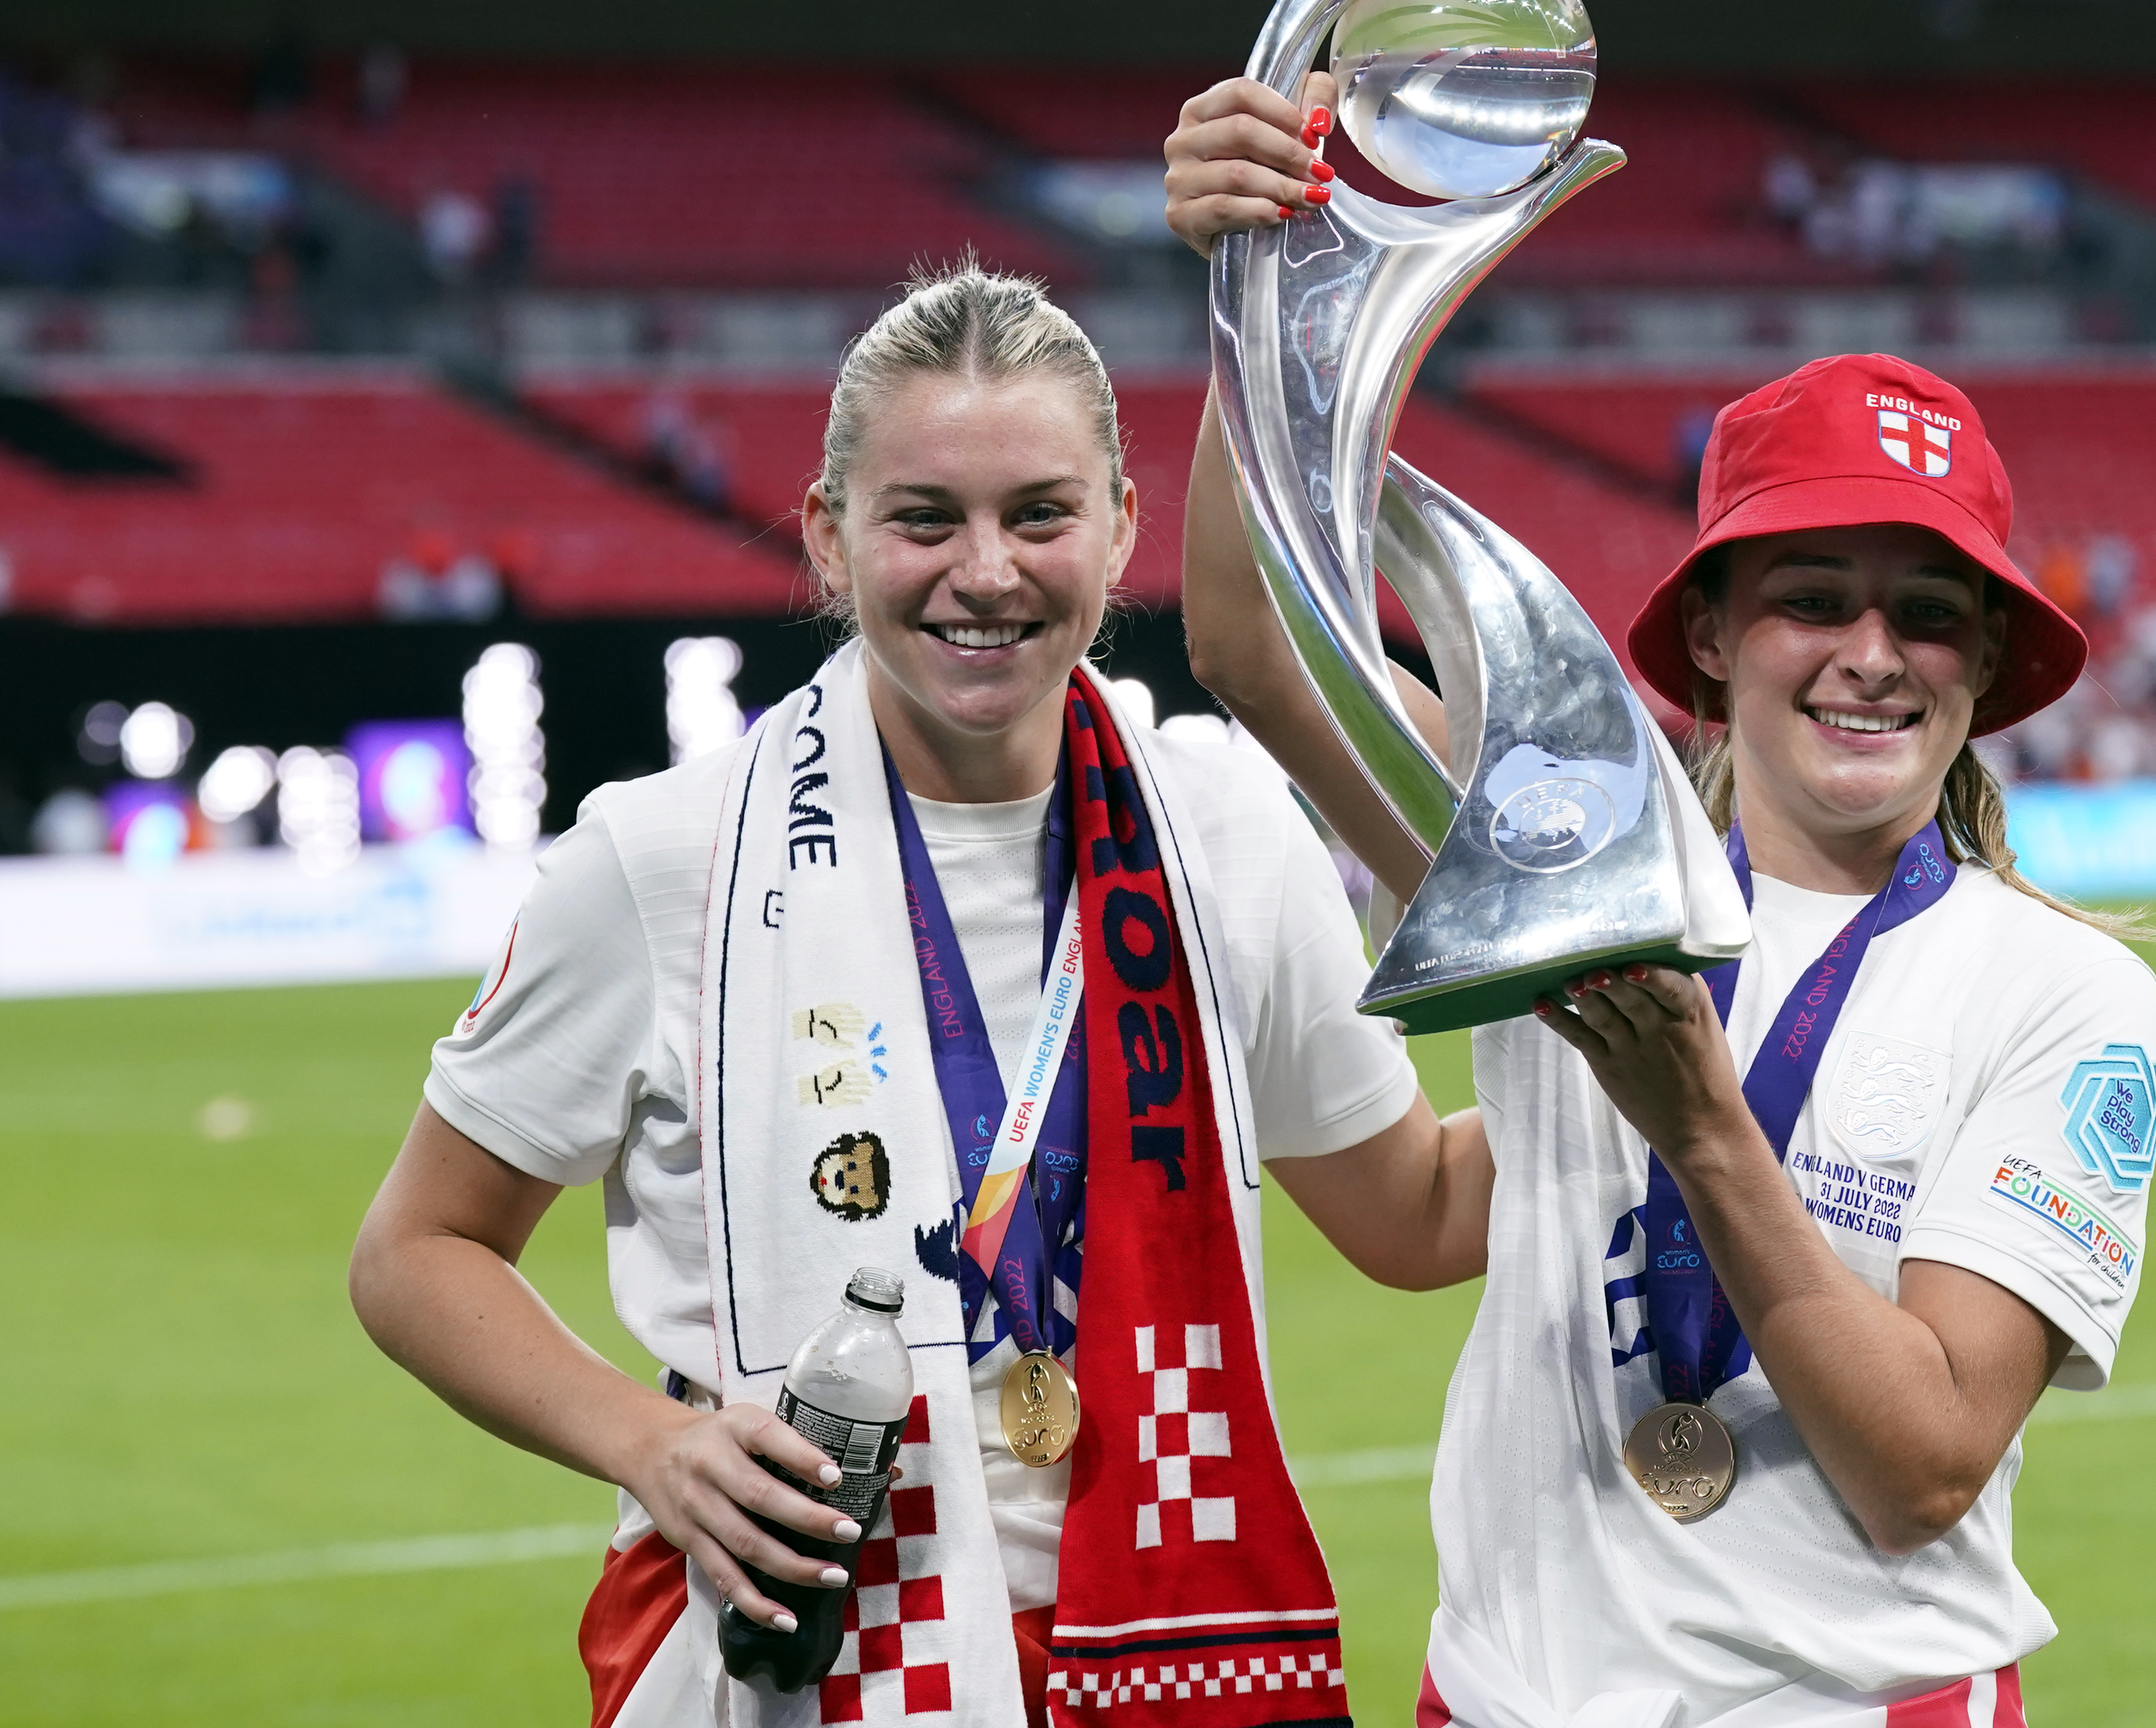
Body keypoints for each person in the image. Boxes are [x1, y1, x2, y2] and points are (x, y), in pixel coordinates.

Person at [349, 261, 1491, 1727]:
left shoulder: (1229, 831)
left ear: (1125, 528)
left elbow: (1414, 1217)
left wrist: (1663, 1073)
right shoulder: (665, 857)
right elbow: (416, 1252)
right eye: (925, 519)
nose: (988, 572)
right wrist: (651, 1446)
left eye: (1040, 514)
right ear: (830, 537)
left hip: (1159, 1638)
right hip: (798, 1647)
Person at [1167, 78, 2156, 1726]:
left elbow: (1921, 1464)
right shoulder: (1563, 861)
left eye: (1926, 612)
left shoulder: (2057, 992)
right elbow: (1249, 644)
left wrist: (1702, 1129)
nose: (1867, 652)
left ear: (1984, 665)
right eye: (1806, 598)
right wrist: (1259, 276)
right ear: (1706, 631)